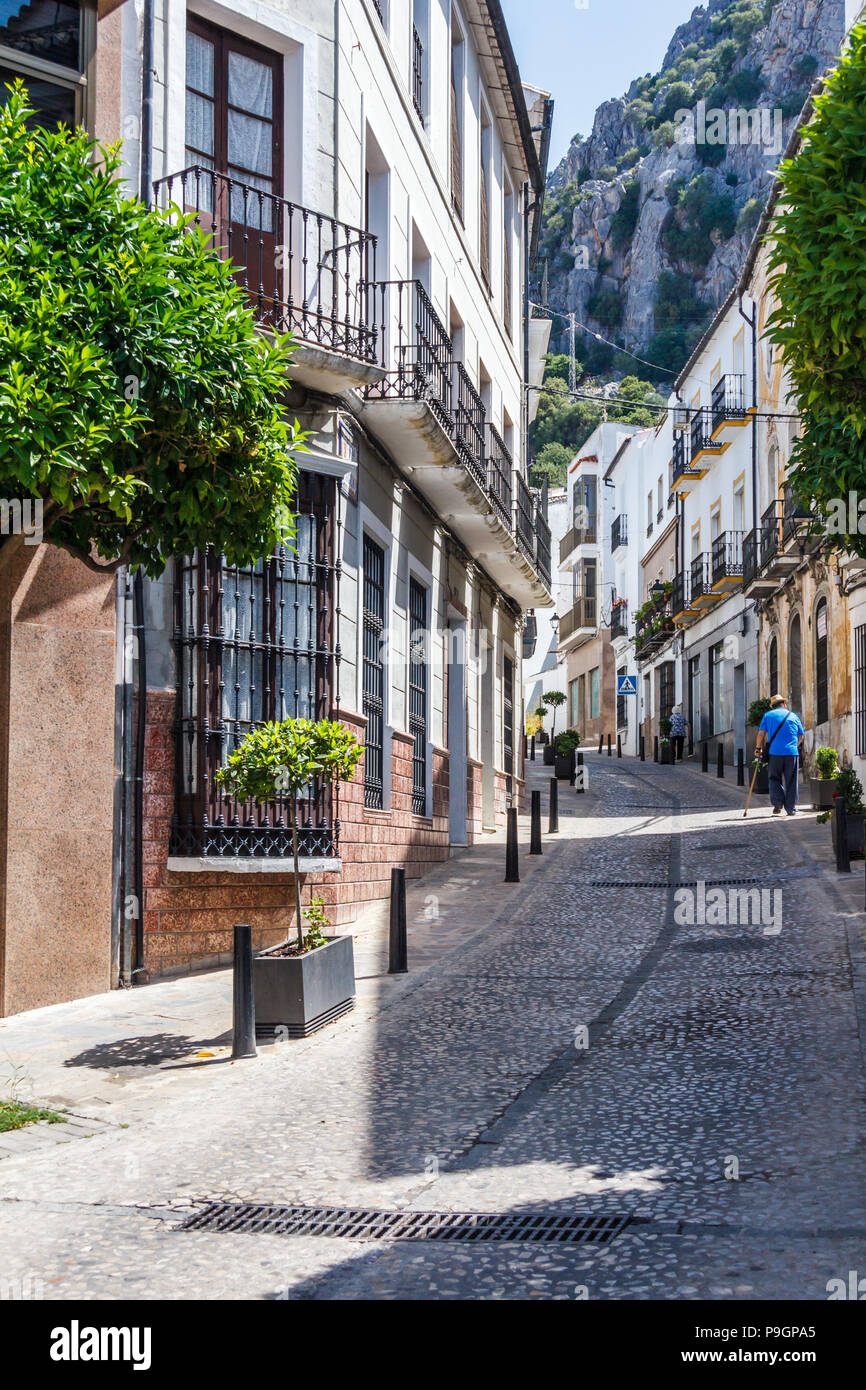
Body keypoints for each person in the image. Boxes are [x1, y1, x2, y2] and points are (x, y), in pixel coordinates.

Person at [755, 693, 805, 816]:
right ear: (784, 704)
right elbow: (801, 736)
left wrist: (758, 748)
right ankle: (791, 808)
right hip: (791, 753)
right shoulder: (793, 716)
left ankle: (778, 803)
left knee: (774, 778)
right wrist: (795, 746)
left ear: (773, 706)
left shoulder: (768, 715)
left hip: (774, 753)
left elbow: (761, 734)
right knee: (792, 781)